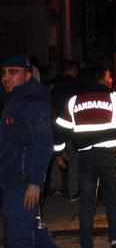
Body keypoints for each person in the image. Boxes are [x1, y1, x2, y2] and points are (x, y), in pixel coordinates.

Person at [0, 55, 73, 248]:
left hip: (21, 184)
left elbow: (43, 145)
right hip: (15, 180)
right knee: (33, 227)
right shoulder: (15, 100)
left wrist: (34, 183)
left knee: (16, 240)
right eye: (4, 73)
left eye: (13, 72)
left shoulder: (32, 103)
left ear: (28, 75)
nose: (6, 78)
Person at [53, 64, 116, 248]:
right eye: (108, 76)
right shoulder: (114, 99)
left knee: (87, 205)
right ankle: (115, 240)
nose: (111, 79)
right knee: (111, 200)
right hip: (108, 157)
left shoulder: (73, 102)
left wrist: (59, 153)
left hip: (85, 159)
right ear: (100, 79)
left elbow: (60, 130)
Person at [47, 60, 80, 200]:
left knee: (55, 155)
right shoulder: (75, 85)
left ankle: (56, 187)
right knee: (74, 159)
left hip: (51, 126)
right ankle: (73, 191)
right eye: (75, 70)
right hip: (71, 126)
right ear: (70, 70)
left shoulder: (49, 85)